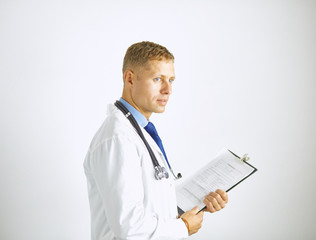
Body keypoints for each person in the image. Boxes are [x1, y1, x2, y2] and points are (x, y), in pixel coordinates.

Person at [84, 41, 228, 240]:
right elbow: (129, 228)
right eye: (158, 79)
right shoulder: (117, 138)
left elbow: (150, 205)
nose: (168, 89)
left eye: (171, 80)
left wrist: (197, 203)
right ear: (130, 79)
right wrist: (184, 226)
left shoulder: (139, 131)